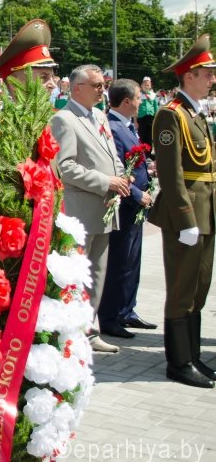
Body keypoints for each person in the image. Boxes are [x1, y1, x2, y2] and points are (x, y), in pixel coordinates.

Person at [148, 34, 216, 388]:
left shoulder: (195, 112)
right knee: (181, 289)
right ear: (190, 75)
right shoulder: (170, 114)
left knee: (199, 287)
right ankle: (178, 362)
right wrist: (185, 218)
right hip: (186, 214)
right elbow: (171, 172)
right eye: (208, 73)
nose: (213, 79)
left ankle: (193, 355)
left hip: (207, 211)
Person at [50, 63, 129, 354]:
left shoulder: (99, 115)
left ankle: (89, 330)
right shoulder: (64, 119)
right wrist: (106, 181)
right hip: (81, 210)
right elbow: (66, 167)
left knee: (97, 273)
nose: (101, 90)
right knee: (78, 274)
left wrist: (122, 176)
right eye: (96, 85)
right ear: (77, 88)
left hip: (104, 207)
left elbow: (112, 154)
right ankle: (72, 332)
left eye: (103, 85)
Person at [98, 78, 155, 340]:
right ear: (127, 101)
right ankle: (110, 317)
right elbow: (115, 168)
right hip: (125, 203)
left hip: (136, 205)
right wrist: (137, 194)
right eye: (138, 98)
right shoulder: (112, 127)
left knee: (132, 261)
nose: (141, 102)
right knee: (119, 263)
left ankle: (126, 310)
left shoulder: (127, 125)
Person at [137, 75, 159, 146]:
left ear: (150, 86)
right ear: (141, 85)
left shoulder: (153, 95)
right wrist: (135, 120)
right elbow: (136, 107)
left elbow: (156, 107)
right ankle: (141, 150)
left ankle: (149, 150)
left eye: (148, 85)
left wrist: (157, 117)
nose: (146, 86)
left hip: (151, 117)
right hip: (141, 117)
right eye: (145, 85)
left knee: (150, 136)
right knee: (142, 135)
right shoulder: (139, 95)